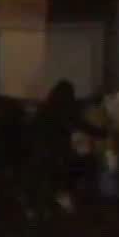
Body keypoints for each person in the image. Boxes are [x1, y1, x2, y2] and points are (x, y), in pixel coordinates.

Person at [29, 79, 106, 217]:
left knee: (45, 179)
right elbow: (81, 125)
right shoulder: (66, 109)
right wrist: (103, 133)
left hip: (40, 152)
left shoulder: (45, 109)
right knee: (70, 174)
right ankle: (61, 203)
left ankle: (41, 207)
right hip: (58, 153)